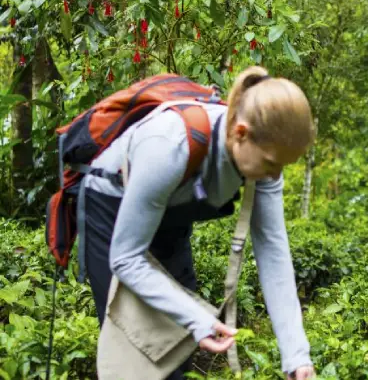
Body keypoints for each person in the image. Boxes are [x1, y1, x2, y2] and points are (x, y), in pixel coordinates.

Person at [80, 66, 316, 379]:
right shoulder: (169, 145)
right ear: (241, 133)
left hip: (168, 215)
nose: (274, 176)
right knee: (138, 345)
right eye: (271, 164)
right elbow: (126, 258)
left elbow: (273, 252)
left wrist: (297, 357)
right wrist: (196, 318)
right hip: (112, 209)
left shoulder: (266, 158)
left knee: (176, 346)